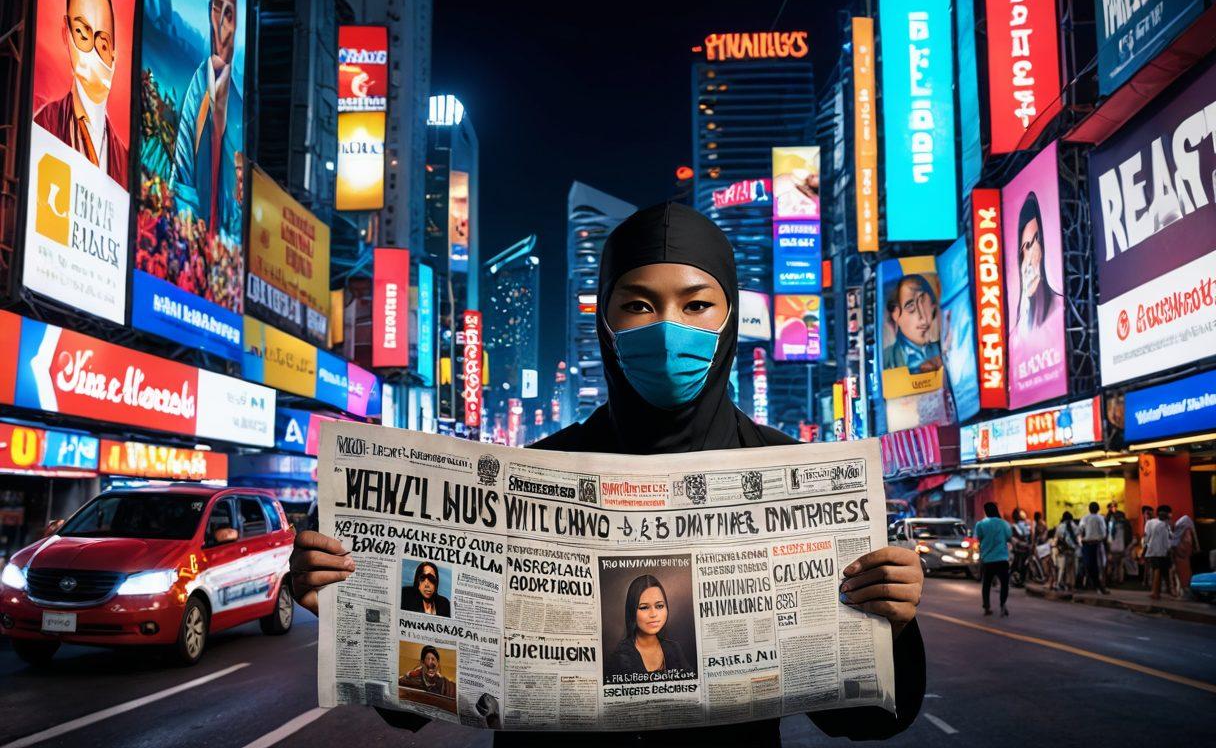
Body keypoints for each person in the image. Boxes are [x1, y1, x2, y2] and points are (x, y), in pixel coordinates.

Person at [289, 202, 927, 745]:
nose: (669, 328)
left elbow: (864, 722)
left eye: (697, 304)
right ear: (605, 319)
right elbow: (412, 708)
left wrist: (893, 623)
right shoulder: (530, 472)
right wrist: (351, 599)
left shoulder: (794, 471)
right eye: (640, 304)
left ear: (731, 317)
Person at [34, 0, 128, 185]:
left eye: (103, 44)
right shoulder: (45, 124)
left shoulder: (124, 161)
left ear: (113, 56)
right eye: (82, 34)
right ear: (66, 34)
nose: (92, 52)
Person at [172, 0, 243, 245]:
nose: (222, 24)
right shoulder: (197, 90)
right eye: (217, 8)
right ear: (208, 12)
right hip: (190, 251)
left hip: (226, 259)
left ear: (236, 23)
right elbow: (180, 178)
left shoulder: (240, 113)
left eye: (229, 13)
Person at [604, 574, 689, 679]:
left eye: (659, 606)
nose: (653, 614)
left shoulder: (674, 648)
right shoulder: (620, 657)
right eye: (644, 607)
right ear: (632, 611)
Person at [1013, 192, 1064, 336]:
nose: (1028, 261)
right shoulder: (1019, 331)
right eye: (1026, 248)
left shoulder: (1060, 309)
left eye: (1037, 239)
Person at [883, 274, 943, 374]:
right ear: (895, 314)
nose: (923, 318)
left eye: (923, 301)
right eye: (910, 306)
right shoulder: (885, 359)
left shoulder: (943, 349)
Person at [974, 502, 1012, 616]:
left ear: (986, 511)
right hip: (1002, 558)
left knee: (986, 584)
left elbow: (978, 538)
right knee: (1004, 584)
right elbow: (1009, 537)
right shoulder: (1004, 523)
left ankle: (986, 606)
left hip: (988, 559)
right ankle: (1002, 604)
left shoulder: (980, 524)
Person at [1079, 501, 1110, 594]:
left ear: (1089, 509)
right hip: (1098, 544)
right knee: (1100, 565)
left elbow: (1080, 530)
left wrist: (1082, 539)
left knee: (1089, 565)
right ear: (1098, 509)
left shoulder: (1085, 518)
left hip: (1087, 544)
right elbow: (1104, 532)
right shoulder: (1100, 518)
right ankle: (1100, 586)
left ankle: (1093, 585)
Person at [1144, 505, 1174, 600]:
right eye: (1169, 513)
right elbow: (1170, 537)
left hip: (1155, 551)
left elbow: (1146, 536)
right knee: (1162, 571)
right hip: (1162, 551)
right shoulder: (1165, 524)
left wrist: (1146, 547)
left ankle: (1157, 592)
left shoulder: (1151, 523)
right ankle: (1159, 592)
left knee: (1157, 571)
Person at [1172, 514, 1199, 599]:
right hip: (1183, 557)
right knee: (1184, 573)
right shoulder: (1187, 532)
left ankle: (1182, 591)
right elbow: (1189, 541)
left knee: (1180, 574)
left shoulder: (1178, 534)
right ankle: (1184, 591)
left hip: (1180, 556)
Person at [1055, 512, 1079, 591]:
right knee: (1072, 569)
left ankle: (1062, 584)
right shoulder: (1074, 525)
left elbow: (1058, 537)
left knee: (1063, 568)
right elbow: (1078, 535)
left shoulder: (1060, 526)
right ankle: (1071, 585)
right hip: (1072, 550)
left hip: (1063, 550)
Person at [1033, 511, 1055, 588]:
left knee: (1045, 564)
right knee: (1047, 564)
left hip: (1042, 547)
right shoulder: (1042, 523)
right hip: (1044, 546)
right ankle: (1050, 581)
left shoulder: (1040, 524)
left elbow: (1039, 536)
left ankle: (1049, 581)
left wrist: (1034, 544)